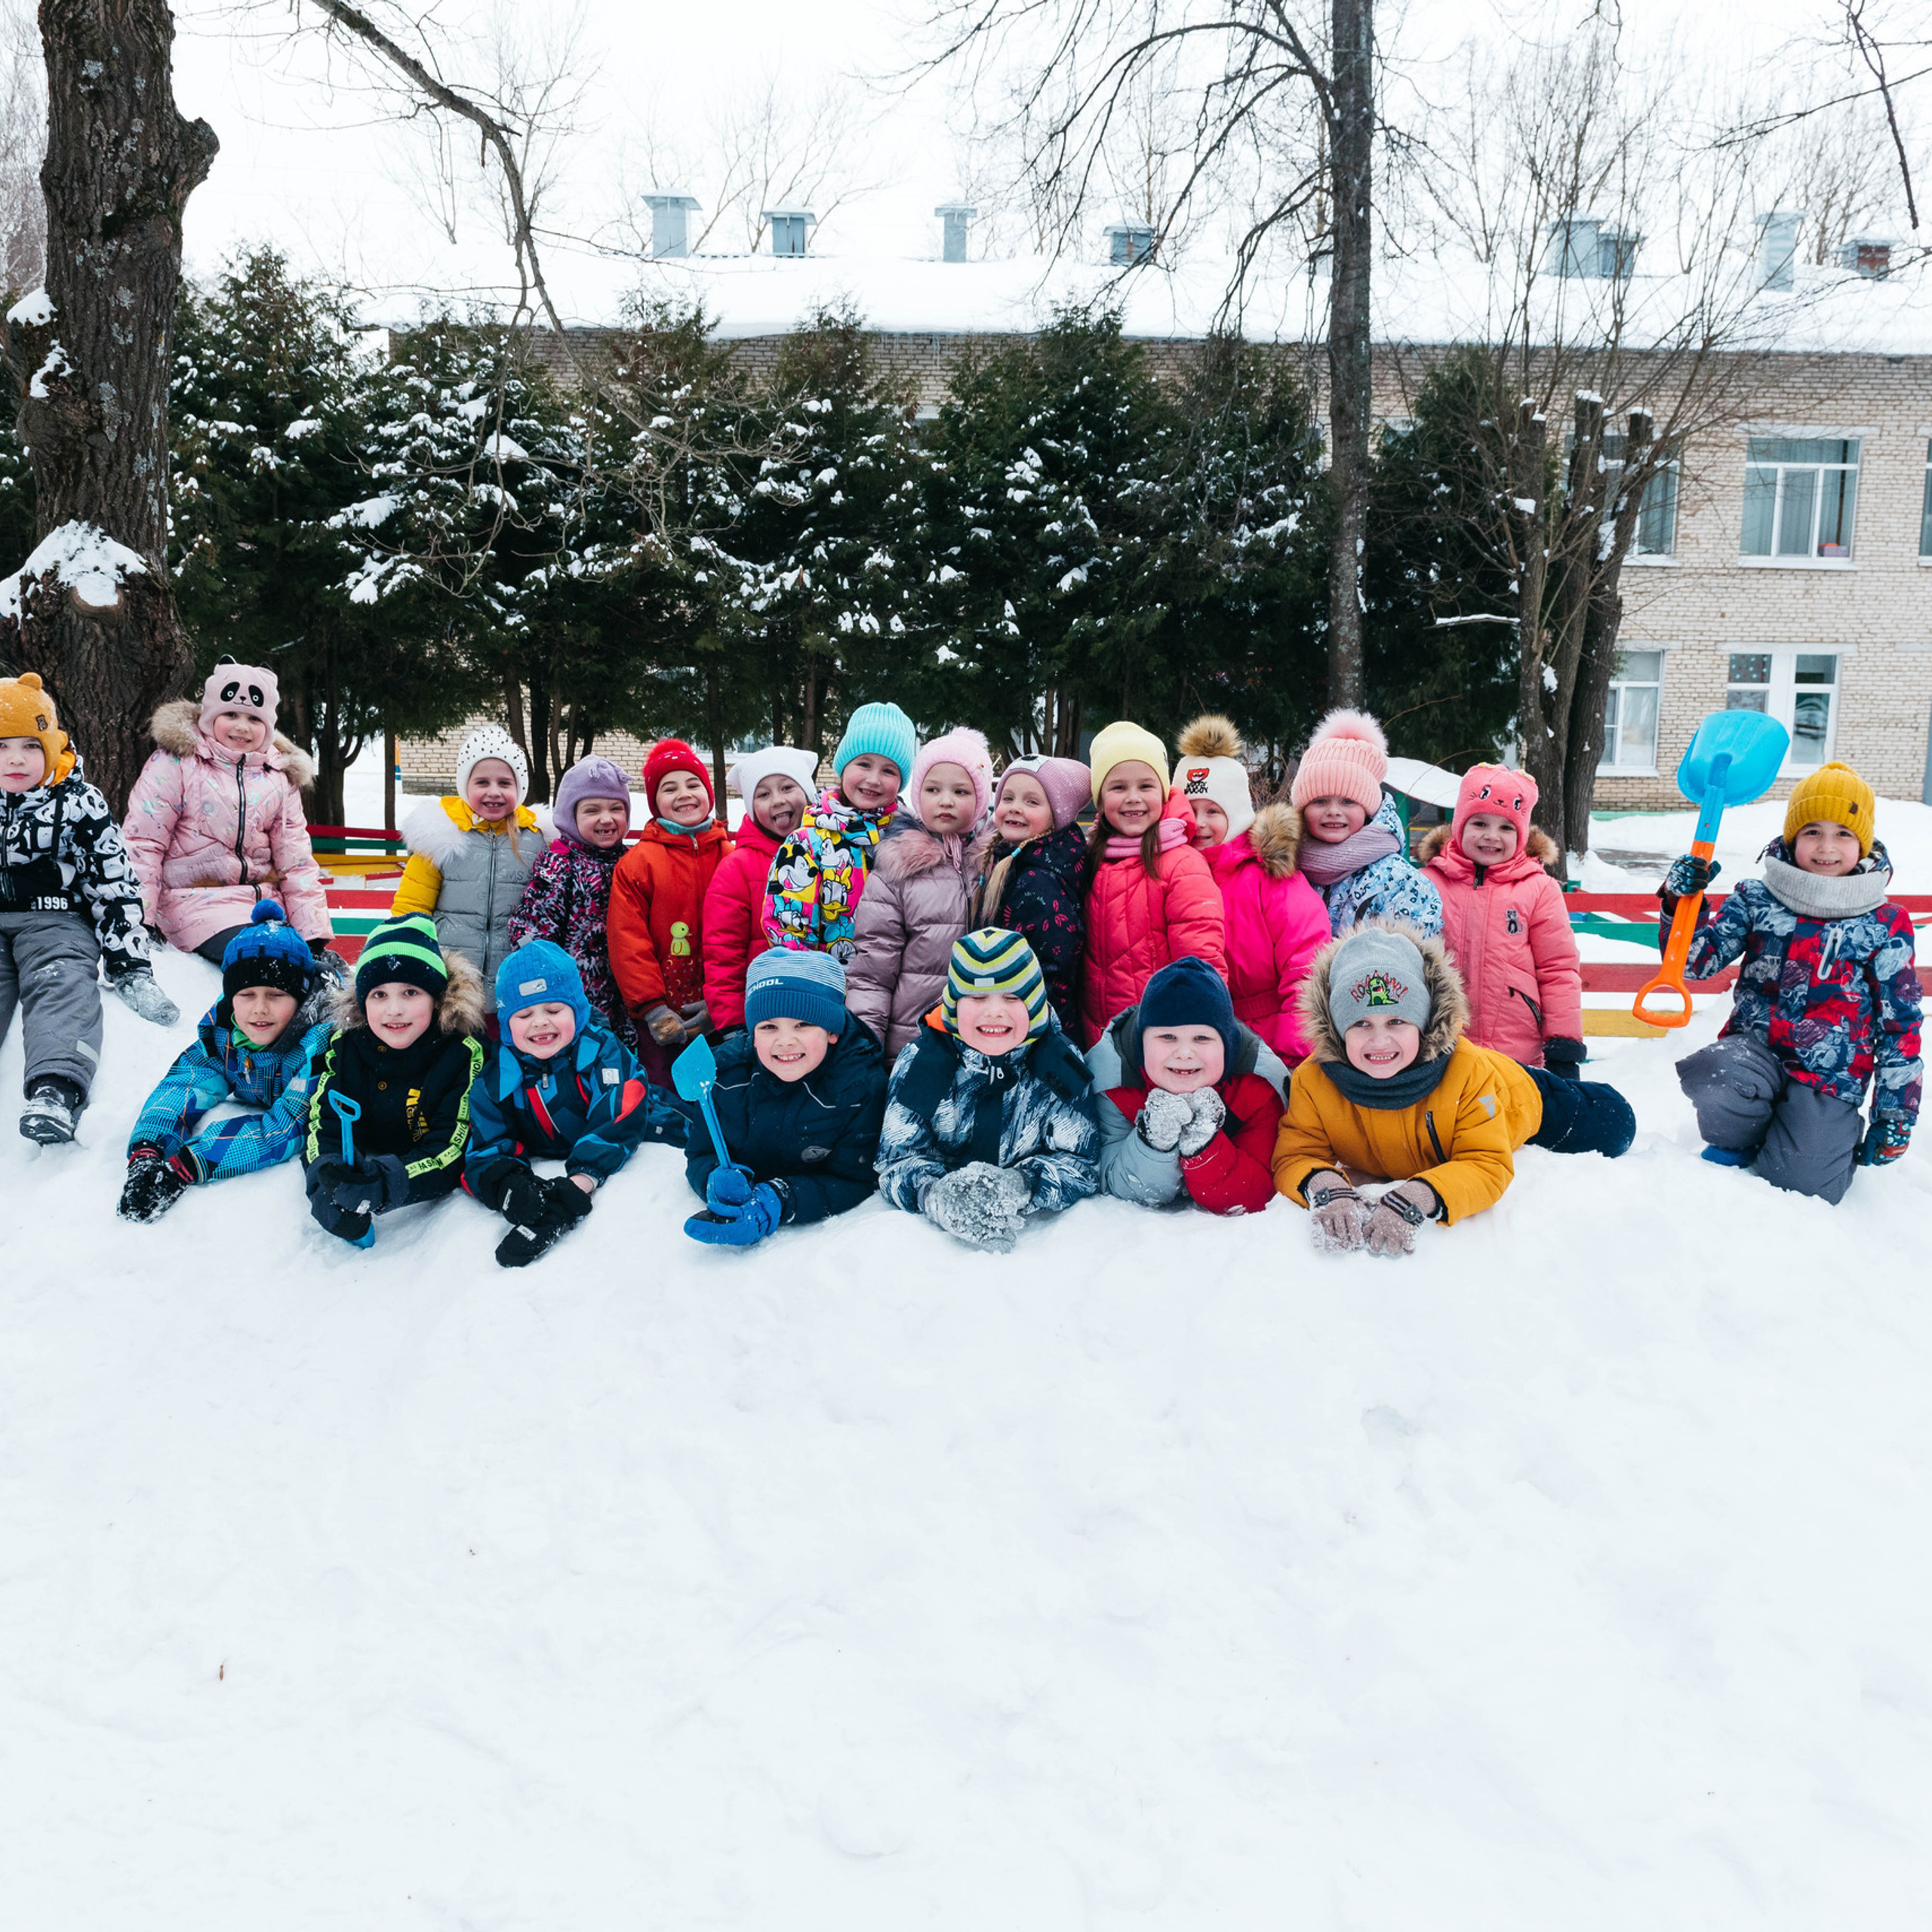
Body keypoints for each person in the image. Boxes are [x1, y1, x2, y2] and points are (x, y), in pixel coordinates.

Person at [1272, 924, 1635, 1255]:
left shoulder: (1468, 1072)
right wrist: (1325, 1188)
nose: (1379, 1040)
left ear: (1425, 1022)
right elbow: (1294, 1155)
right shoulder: (1314, 1080)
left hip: (1514, 1094)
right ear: (1337, 1030)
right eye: (1361, 1023)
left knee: (1616, 1123)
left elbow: (1485, 1163)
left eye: (1397, 1021)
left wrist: (1420, 1195)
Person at [1667, 761, 1921, 1204]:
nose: (1826, 847)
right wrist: (1681, 902)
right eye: (1812, 832)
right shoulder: (1757, 897)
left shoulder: (1885, 921)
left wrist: (1895, 1113)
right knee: (1717, 1073)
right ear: (1792, 837)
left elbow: (1899, 1024)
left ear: (1862, 842)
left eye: (1843, 833)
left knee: (1804, 1186)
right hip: (1755, 1054)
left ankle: (1814, 1137)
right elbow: (1694, 963)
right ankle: (1743, 1136)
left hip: (1830, 1076)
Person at [1, 672, 177, 1145]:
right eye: (2, 746)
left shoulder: (79, 804)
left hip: (55, 922)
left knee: (61, 983)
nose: (16, 758)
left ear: (52, 745)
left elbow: (113, 884)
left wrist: (130, 966)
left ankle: (54, 1089)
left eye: (30, 745)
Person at [875, 928, 1100, 1250]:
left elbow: (1081, 1163)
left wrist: (1022, 1184)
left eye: (1012, 998)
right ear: (953, 1005)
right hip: (930, 1251)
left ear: (1035, 1005)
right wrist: (934, 1193)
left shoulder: (1059, 1065)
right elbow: (896, 1160)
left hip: (1038, 1248)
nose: (994, 1011)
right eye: (977, 997)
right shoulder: (923, 1062)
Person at [465, 940, 683, 1267]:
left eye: (554, 1010)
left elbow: (618, 1114)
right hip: (553, 1150)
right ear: (507, 1022)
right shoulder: (497, 1076)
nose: (540, 1022)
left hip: (651, 1125)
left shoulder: (602, 1052)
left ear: (578, 1011)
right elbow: (485, 1142)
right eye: (524, 1014)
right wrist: (511, 1188)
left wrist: (579, 1182)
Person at [119, 901, 331, 1220]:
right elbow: (185, 1082)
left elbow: (287, 1126)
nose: (260, 1009)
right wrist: (148, 1150)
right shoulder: (224, 1032)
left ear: (300, 999)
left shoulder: (318, 1045)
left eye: (276, 995)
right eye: (246, 995)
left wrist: (188, 1165)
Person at [123, 655, 334, 970]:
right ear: (209, 717)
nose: (241, 727)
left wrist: (313, 935)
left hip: (265, 907)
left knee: (316, 969)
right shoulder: (178, 763)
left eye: (254, 719)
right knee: (267, 960)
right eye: (231, 714)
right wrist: (141, 920)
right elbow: (143, 844)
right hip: (193, 905)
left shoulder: (278, 776)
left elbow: (296, 861)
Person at [681, 948, 888, 1247]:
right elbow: (700, 1152)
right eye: (769, 1027)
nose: (785, 1040)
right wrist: (713, 1179)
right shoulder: (723, 1078)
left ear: (832, 1031)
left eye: (803, 1024)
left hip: (816, 1250)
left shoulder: (859, 1088)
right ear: (752, 1033)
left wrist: (781, 1200)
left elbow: (855, 1178)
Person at [303, 912, 487, 1247]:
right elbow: (322, 1123)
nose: (394, 1010)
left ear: (437, 997)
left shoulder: (461, 1053)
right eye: (379, 995)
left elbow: (451, 1148)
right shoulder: (345, 1045)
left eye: (411, 993)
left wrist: (383, 1184)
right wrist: (324, 1177)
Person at [1176, 714, 1328, 1064]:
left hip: (1269, 1043)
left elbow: (1306, 964)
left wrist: (1290, 1052)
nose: (1199, 823)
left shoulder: (1268, 875)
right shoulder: (1170, 871)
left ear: (1237, 812)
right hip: (1194, 1043)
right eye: (1190, 810)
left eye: (1213, 811)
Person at [1419, 764, 1584, 1074]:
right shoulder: (1427, 883)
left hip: (1515, 1054)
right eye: (1480, 823)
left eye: (1507, 827)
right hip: (1439, 1051)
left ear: (1521, 834)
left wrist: (1563, 1046)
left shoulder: (1538, 889)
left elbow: (1558, 970)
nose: (1492, 837)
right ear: (1459, 826)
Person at [1090, 955, 1286, 1216]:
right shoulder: (1114, 1083)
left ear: (1227, 1045)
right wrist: (1153, 1142)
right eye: (1167, 1037)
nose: (1184, 1053)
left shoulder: (1257, 1088)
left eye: (1202, 1038)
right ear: (1142, 1043)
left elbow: (1261, 1190)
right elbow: (1112, 1180)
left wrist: (1205, 1147)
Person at [847, 725, 996, 1058]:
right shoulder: (896, 869)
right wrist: (865, 1047)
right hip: (913, 1042)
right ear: (917, 795)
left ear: (982, 798)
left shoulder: (997, 863)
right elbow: (873, 971)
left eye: (961, 791)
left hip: (988, 1041)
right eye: (932, 789)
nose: (945, 801)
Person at [1078, 719, 1226, 1048]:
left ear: (1163, 792)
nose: (1133, 798)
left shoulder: (1182, 865)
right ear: (1100, 799)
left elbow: (1202, 963)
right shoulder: (1090, 859)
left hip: (1162, 1039)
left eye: (1146, 786)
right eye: (1118, 788)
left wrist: (1194, 1041)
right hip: (1097, 1039)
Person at [608, 737, 732, 1085]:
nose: (684, 794)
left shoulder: (730, 856)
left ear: (708, 793)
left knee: (720, 1086)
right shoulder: (638, 865)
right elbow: (628, 940)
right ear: (654, 802)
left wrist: (723, 1001)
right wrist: (652, 1008)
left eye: (693, 784)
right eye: (669, 788)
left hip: (720, 1010)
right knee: (663, 1089)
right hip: (660, 1014)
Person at [391, 724, 551, 983]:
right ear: (465, 785)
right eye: (482, 782)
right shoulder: (441, 835)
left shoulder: (537, 838)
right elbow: (412, 906)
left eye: (505, 783)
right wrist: (407, 954)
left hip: (516, 973)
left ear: (519, 788)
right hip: (450, 972)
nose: (494, 792)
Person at [764, 700, 918, 961]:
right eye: (864, 764)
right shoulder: (807, 843)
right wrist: (816, 982)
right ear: (843, 766)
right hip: (826, 986)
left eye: (889, 770)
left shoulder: (913, 842)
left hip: (893, 990)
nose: (874, 780)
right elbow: (787, 925)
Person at [507, 754, 636, 1046]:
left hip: (624, 993)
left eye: (616, 808)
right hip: (571, 997)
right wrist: (546, 987)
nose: (607, 818)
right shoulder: (560, 863)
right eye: (592, 810)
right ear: (571, 816)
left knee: (618, 1064)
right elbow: (534, 929)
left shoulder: (631, 862)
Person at [1291, 709, 1441, 938]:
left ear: (1368, 809)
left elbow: (1412, 959)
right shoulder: (1284, 870)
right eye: (1320, 801)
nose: (1333, 812)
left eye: (1348, 801)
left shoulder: (1399, 881)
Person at [703, 745, 820, 1035]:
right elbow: (722, 957)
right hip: (763, 1020)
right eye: (763, 794)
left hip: (823, 1008)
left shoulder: (832, 858)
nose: (777, 800)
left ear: (807, 793)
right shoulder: (737, 869)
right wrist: (733, 1027)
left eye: (787, 787)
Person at [970, 755, 1089, 1037]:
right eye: (1007, 798)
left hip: (1032, 1032)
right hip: (1005, 1019)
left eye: (1032, 802)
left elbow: (1052, 973)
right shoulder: (1014, 860)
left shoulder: (1040, 881)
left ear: (1056, 814)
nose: (1015, 809)